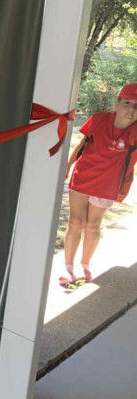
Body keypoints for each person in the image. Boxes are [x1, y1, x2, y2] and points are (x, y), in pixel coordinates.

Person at [61, 83, 137, 287]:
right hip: (83, 177)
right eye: (127, 103)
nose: (131, 109)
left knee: (93, 225)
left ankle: (84, 265)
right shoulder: (100, 119)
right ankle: (68, 268)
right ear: (117, 103)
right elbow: (81, 144)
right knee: (75, 222)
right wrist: (67, 165)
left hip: (108, 184)